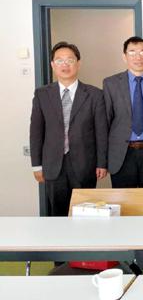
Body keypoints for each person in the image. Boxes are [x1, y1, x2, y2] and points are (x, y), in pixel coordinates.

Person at [29, 42, 108, 217]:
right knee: (57, 215)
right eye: (59, 60)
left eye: (70, 60)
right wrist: (36, 166)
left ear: (78, 63)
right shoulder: (42, 94)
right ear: (52, 65)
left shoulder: (95, 94)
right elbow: (36, 132)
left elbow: (101, 132)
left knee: (85, 213)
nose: (65, 65)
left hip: (85, 164)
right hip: (52, 164)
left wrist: (102, 162)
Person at [103, 37, 143, 215]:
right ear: (124, 57)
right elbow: (106, 121)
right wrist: (102, 160)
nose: (138, 57)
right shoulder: (110, 84)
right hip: (122, 155)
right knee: (123, 210)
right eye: (132, 52)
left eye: (142, 52)